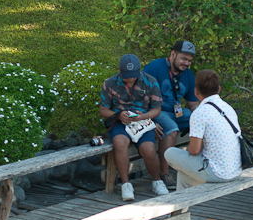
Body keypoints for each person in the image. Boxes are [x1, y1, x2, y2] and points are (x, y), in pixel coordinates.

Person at [99, 54, 169, 202]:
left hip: (142, 121)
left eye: (133, 76)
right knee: (119, 142)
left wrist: (143, 117)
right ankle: (126, 183)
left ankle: (157, 181)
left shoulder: (150, 82)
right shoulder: (110, 83)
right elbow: (103, 110)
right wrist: (118, 115)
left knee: (148, 149)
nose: (131, 79)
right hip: (120, 122)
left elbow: (157, 109)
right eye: (127, 76)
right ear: (119, 70)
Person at [164, 69, 241, 191]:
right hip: (235, 170)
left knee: (169, 153)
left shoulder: (200, 112)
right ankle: (179, 210)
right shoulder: (228, 108)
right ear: (219, 89)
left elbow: (194, 151)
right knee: (184, 177)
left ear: (196, 91)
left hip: (217, 173)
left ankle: (178, 209)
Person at [143, 40, 198, 189]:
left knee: (202, 121)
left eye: (190, 61)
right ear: (173, 54)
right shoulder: (153, 69)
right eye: (184, 59)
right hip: (157, 111)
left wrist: (204, 116)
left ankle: (203, 167)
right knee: (171, 128)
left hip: (177, 112)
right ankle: (165, 173)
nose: (186, 63)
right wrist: (148, 121)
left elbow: (192, 103)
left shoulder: (188, 75)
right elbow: (139, 99)